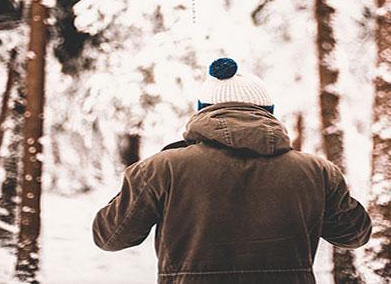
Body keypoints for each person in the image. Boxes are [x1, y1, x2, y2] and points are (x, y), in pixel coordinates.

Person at [92, 58, 372, 284]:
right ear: (268, 112)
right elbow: (354, 235)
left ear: (203, 111)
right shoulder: (317, 170)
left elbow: (110, 237)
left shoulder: (161, 168)